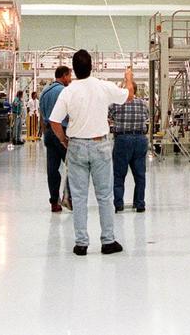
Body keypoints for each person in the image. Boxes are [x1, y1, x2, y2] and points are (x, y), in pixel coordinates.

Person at [49, 50, 135, 256]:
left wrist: (63, 140)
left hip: (76, 146)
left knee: (78, 197)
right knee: (105, 196)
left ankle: (81, 243)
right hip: (101, 146)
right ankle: (108, 241)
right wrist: (129, 79)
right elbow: (129, 96)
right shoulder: (102, 86)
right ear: (92, 66)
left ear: (73, 70)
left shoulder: (67, 91)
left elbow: (54, 121)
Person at [109, 86, 149, 213]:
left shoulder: (115, 104)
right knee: (140, 175)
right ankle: (140, 204)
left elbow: (109, 116)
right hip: (140, 139)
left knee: (119, 175)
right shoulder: (143, 104)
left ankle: (119, 204)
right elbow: (147, 117)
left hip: (122, 140)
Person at [38, 66, 72, 212]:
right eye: (69, 76)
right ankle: (68, 198)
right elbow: (70, 113)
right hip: (61, 132)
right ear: (64, 76)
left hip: (49, 134)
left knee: (52, 169)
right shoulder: (64, 92)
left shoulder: (45, 91)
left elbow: (41, 114)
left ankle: (54, 202)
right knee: (73, 166)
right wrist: (64, 137)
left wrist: (45, 132)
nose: (70, 79)